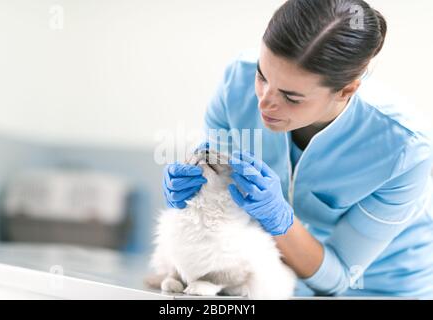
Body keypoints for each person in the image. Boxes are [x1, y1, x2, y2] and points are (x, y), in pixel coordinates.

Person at [162, 0, 433, 298]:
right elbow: (221, 197)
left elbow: (338, 277)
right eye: (262, 75)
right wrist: (198, 192)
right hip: (284, 278)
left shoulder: (404, 149)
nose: (264, 102)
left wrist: (279, 219)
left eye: (291, 97)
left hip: (385, 286)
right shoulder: (235, 83)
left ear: (346, 90)